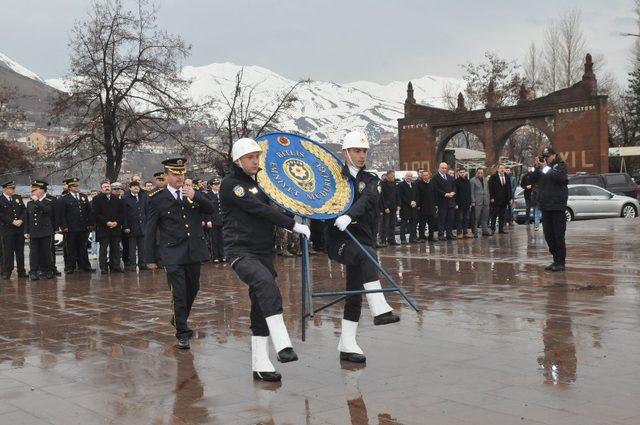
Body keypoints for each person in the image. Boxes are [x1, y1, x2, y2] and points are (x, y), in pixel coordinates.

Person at [221, 138, 310, 382]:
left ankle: (260, 364)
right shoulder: (231, 185)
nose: (255, 161)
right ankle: (282, 343)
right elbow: (258, 210)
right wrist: (292, 225)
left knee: (260, 305)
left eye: (257, 157)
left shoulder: (259, 184)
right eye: (250, 157)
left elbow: (275, 206)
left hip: (263, 251)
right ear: (238, 160)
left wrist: (297, 209)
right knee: (264, 283)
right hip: (240, 251)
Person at [327, 130, 400, 365]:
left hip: (363, 240)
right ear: (345, 153)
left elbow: (368, 198)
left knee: (354, 292)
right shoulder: (333, 180)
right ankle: (379, 308)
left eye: (364, 151)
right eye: (356, 151)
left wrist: (349, 215)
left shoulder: (372, 180)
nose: (361, 155)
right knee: (366, 256)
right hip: (340, 241)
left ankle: (347, 344)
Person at [144, 158, 215, 349]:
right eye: (175, 174)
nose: (179, 177)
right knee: (179, 293)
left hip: (194, 250)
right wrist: (149, 257)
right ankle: (182, 332)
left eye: (182, 174)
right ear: (166, 176)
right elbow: (150, 229)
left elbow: (212, 209)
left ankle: (178, 318)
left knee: (194, 288)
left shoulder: (192, 193)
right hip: (172, 252)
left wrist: (196, 196)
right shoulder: (156, 198)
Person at [533, 147, 569, 271]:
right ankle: (555, 260)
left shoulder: (561, 166)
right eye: (544, 156)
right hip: (545, 206)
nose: (546, 158)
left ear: (554, 155)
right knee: (549, 236)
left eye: (548, 156)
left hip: (557, 206)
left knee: (558, 236)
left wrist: (545, 168)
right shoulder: (543, 169)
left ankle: (560, 262)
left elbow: (559, 178)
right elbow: (531, 180)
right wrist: (537, 167)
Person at [59, 177, 94, 273]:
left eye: (77, 185)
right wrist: (64, 226)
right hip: (71, 228)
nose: (76, 187)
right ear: (69, 188)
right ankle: (71, 267)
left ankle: (85, 266)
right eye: (74, 186)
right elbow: (62, 214)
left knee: (83, 247)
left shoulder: (83, 196)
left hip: (83, 227)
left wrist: (90, 224)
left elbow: (89, 211)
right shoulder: (64, 198)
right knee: (71, 248)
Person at [92, 181, 126, 274]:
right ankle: (103, 267)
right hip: (103, 228)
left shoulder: (116, 199)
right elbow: (96, 214)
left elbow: (121, 213)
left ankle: (115, 265)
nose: (107, 188)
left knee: (115, 249)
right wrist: (107, 222)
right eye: (104, 187)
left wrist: (116, 222)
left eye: (108, 186)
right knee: (103, 249)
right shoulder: (97, 199)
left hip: (115, 227)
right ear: (101, 188)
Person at [24, 181, 55, 280]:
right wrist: (26, 231)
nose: (32, 192)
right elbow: (27, 218)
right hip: (33, 232)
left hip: (45, 231)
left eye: (34, 190)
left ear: (40, 191)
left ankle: (48, 270)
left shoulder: (48, 201)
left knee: (46, 252)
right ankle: (33, 271)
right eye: (32, 191)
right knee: (33, 253)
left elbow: (47, 211)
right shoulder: (29, 203)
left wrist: (37, 201)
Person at [0, 181, 27, 279]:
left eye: (13, 188)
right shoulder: (1, 199)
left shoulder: (17, 198)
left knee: (20, 252)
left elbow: (24, 210)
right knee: (8, 252)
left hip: (19, 229)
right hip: (8, 230)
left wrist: (21, 219)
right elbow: (1, 214)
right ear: (5, 189)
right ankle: (7, 271)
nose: (13, 190)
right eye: (11, 189)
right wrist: (12, 221)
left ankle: (21, 271)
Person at [123, 181, 147, 271]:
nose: (136, 188)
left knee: (142, 247)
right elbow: (124, 214)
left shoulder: (143, 197)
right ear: (130, 188)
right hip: (131, 227)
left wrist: (147, 224)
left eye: (137, 186)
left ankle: (142, 264)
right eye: (134, 186)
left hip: (142, 226)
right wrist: (125, 226)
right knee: (132, 248)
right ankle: (132, 265)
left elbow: (146, 211)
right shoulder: (125, 198)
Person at [433, 162, 456, 240]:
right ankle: (441, 235)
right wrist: (445, 194)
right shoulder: (435, 177)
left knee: (450, 218)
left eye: (445, 168)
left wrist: (453, 192)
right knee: (442, 219)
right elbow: (436, 189)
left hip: (450, 201)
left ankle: (449, 234)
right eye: (442, 168)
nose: (444, 169)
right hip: (442, 201)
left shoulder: (449, 177)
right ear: (439, 168)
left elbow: (454, 186)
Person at [488, 164, 511, 234]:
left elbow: (509, 188)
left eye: (503, 168)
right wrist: (491, 197)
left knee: (502, 215)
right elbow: (490, 188)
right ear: (498, 169)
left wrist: (510, 197)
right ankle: (492, 229)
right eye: (501, 168)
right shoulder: (493, 177)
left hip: (504, 199)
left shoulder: (507, 176)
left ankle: (501, 229)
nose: (502, 169)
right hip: (496, 199)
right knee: (494, 215)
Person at [206, 178, 225, 262]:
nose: (218, 186)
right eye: (215, 184)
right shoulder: (208, 195)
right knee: (214, 239)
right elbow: (206, 209)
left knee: (222, 239)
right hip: (213, 220)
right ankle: (215, 256)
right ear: (211, 186)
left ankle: (223, 255)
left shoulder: (222, 194)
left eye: (218, 184)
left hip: (221, 219)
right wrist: (208, 220)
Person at [379, 170, 399, 246]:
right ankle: (382, 240)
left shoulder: (394, 184)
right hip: (386, 208)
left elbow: (397, 194)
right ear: (388, 176)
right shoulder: (382, 184)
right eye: (392, 176)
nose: (394, 177)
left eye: (394, 176)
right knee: (384, 225)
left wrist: (398, 204)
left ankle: (391, 239)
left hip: (393, 207)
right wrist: (385, 207)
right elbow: (381, 197)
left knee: (392, 225)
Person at [416, 170, 437, 242]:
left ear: (429, 176)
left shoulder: (432, 183)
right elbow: (417, 196)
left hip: (431, 206)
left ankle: (431, 236)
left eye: (427, 175)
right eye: (424, 175)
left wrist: (436, 204)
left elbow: (435, 194)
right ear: (421, 176)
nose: (425, 177)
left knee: (432, 223)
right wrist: (418, 205)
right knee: (422, 223)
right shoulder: (418, 184)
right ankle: (422, 237)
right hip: (422, 207)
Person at [470, 168, 491, 237]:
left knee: (485, 217)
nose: (480, 174)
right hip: (477, 201)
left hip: (486, 201)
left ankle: (485, 230)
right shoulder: (472, 180)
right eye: (479, 173)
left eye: (481, 173)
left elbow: (487, 190)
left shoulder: (485, 180)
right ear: (476, 173)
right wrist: (473, 201)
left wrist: (488, 199)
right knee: (476, 218)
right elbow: (471, 192)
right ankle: (475, 232)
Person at [397, 171, 418, 244]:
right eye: (408, 176)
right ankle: (403, 239)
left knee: (413, 224)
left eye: (410, 176)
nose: (409, 178)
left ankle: (412, 238)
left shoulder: (414, 184)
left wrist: (415, 202)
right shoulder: (401, 185)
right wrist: (410, 202)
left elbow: (417, 195)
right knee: (404, 224)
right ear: (405, 177)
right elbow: (401, 196)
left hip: (413, 207)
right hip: (405, 207)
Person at [454, 168, 472, 238]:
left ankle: (465, 232)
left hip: (467, 203)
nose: (462, 173)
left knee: (466, 218)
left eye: (463, 172)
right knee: (460, 219)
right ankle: (459, 233)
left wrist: (470, 202)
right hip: (459, 204)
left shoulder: (468, 181)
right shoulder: (456, 181)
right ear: (458, 173)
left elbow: (469, 192)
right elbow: (455, 194)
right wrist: (456, 203)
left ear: (465, 173)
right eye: (461, 172)